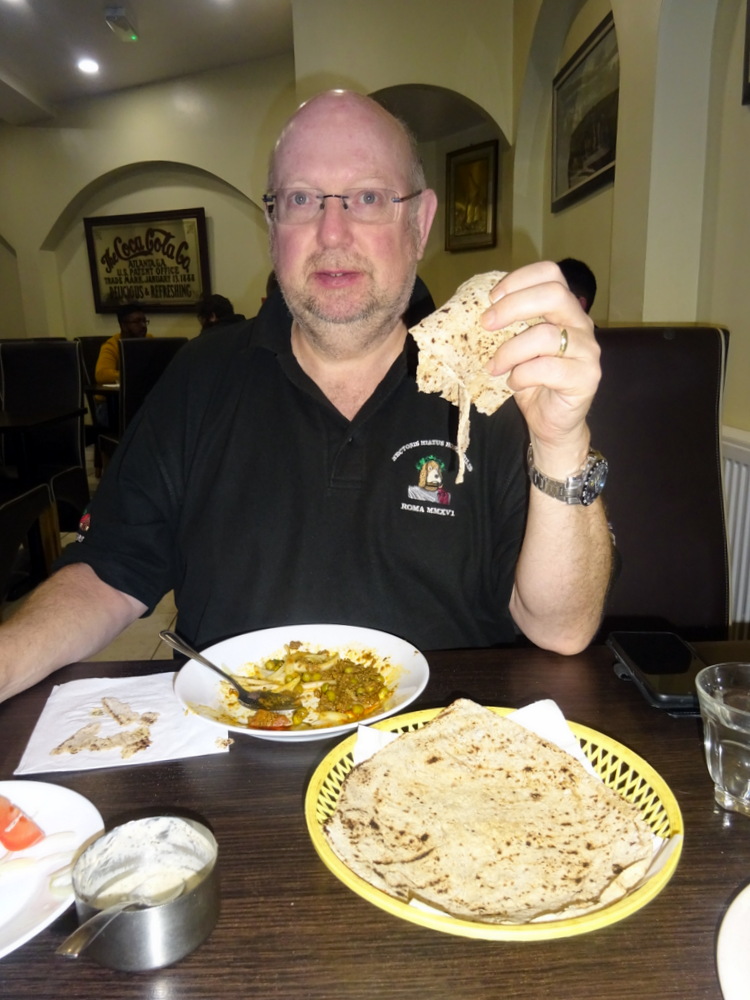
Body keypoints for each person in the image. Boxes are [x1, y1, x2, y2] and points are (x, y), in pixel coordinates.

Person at [0, 90, 612, 704]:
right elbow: (108, 571)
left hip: (442, 747)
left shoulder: (499, 383)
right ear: (273, 228)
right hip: (236, 744)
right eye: (301, 199)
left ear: (419, 223)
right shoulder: (200, 375)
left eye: (368, 198)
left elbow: (561, 629)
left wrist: (561, 444)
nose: (331, 232)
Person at [95, 302, 152, 384]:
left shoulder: (150, 340)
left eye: (144, 321)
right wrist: (132, 375)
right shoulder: (112, 345)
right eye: (137, 322)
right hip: (121, 391)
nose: (143, 325)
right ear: (123, 326)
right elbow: (101, 375)